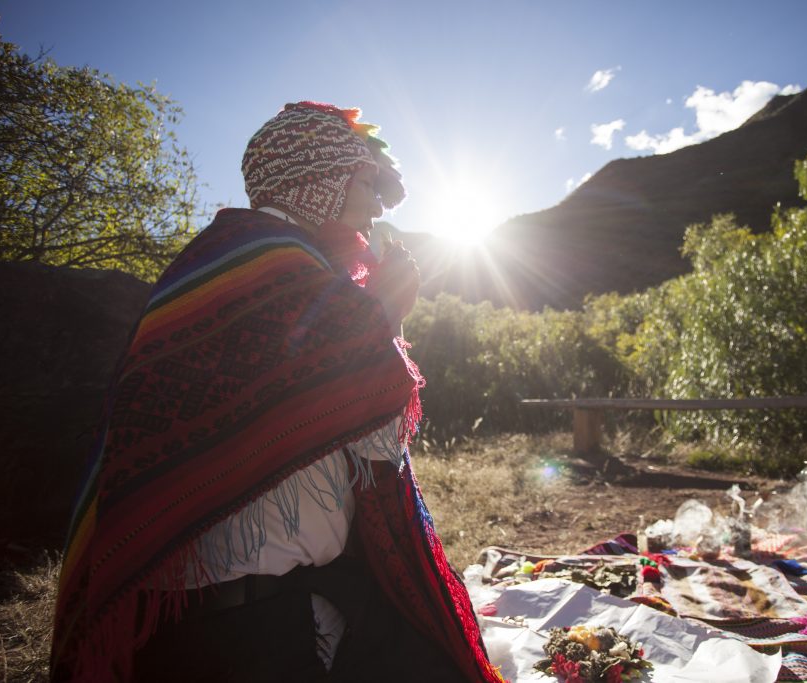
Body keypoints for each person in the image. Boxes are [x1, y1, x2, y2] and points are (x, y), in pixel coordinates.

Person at [50, 102, 504, 682]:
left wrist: (370, 312)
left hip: (213, 618)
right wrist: (386, 312)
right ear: (317, 182)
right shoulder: (285, 273)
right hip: (259, 630)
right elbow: (373, 441)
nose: (374, 204)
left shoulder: (216, 266)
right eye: (363, 180)